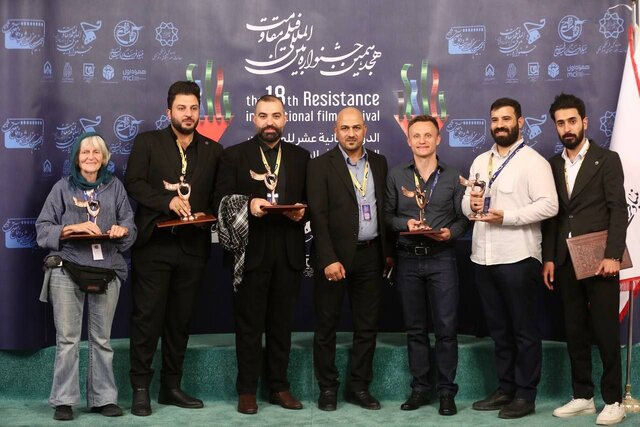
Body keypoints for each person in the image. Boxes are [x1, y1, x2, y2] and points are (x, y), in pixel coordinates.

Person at [124, 80, 223, 416]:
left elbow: (219, 196)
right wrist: (167, 202)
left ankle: (171, 387)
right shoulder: (148, 142)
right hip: (154, 245)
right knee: (147, 319)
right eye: (181, 108)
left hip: (193, 248)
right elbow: (134, 183)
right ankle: (140, 388)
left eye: (194, 108)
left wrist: (207, 214)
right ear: (169, 112)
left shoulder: (213, 150)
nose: (188, 114)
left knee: (180, 322)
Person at [461, 98, 558, 419]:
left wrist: (508, 217)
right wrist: (472, 205)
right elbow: (465, 203)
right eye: (495, 119)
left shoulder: (533, 162)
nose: (500, 125)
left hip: (518, 257)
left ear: (520, 122)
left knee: (524, 332)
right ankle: (505, 389)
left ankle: (525, 395)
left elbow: (550, 205)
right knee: (499, 331)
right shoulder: (480, 161)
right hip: (483, 258)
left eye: (506, 119)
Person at [213, 94, 309, 415]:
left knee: (282, 325)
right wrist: (249, 203)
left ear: (285, 119)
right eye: (264, 116)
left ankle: (279, 386)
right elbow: (219, 201)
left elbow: (312, 203)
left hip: (288, 253)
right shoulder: (234, 155)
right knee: (249, 327)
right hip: (249, 254)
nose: (270, 122)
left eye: (276, 116)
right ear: (254, 119)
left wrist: (302, 213)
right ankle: (247, 390)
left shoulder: (300, 157)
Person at [36, 132, 136, 421]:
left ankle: (103, 399)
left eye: (96, 152)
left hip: (106, 268)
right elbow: (43, 228)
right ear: (76, 158)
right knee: (68, 339)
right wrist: (71, 229)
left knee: (101, 338)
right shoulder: (61, 188)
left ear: (104, 158)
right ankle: (64, 401)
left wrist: (122, 230)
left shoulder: (115, 187)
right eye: (85, 152)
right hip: (67, 266)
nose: (90, 157)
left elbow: (130, 225)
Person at [542, 93, 627, 425]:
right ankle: (583, 396)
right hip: (565, 260)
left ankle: (614, 400)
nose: (567, 128)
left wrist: (612, 255)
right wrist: (549, 258)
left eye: (572, 121)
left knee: (605, 331)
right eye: (560, 123)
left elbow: (618, 210)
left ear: (584, 122)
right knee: (574, 330)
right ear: (555, 126)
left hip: (600, 259)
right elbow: (553, 217)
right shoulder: (552, 165)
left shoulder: (607, 160)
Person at [307, 106, 391, 411]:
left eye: (356, 127)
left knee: (366, 327)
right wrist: (328, 258)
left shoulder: (379, 162)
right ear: (335, 131)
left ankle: (359, 387)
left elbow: (385, 209)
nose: (351, 133)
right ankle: (328, 388)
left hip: (370, 255)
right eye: (345, 128)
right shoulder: (319, 166)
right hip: (335, 259)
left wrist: (388, 254)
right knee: (326, 326)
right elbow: (318, 216)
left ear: (365, 130)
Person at [384, 115, 469, 415]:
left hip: (441, 257)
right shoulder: (396, 175)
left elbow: (464, 218)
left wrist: (451, 233)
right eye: (416, 136)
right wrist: (404, 223)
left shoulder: (453, 176)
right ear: (408, 141)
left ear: (438, 139)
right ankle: (420, 388)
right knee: (415, 329)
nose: (422, 141)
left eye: (428, 135)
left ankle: (446, 392)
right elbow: (387, 217)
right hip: (408, 258)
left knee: (446, 328)